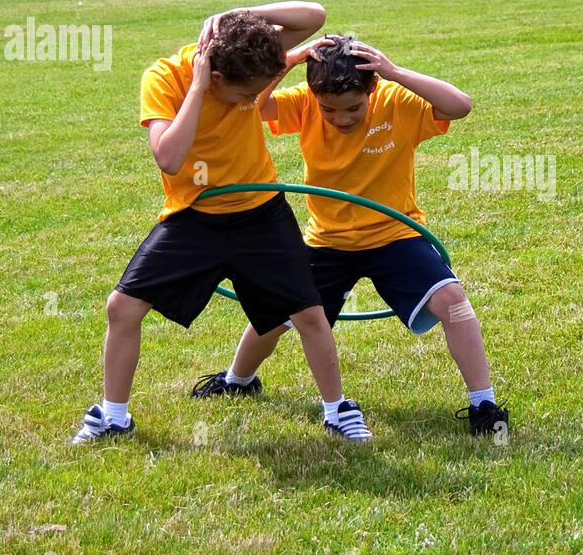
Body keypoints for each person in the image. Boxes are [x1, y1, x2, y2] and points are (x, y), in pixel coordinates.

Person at [72, 2, 376, 445]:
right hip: (195, 216)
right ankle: (112, 416)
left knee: (310, 314)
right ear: (216, 77)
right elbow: (170, 157)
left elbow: (315, 15)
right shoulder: (164, 78)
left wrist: (235, 14)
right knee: (122, 307)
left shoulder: (247, 59)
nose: (254, 101)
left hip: (261, 212)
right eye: (245, 95)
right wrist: (197, 88)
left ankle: (338, 410)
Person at [208, 34, 509, 439]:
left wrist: (394, 71)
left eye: (353, 107)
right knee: (275, 311)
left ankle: (484, 405)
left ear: (373, 88)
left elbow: (461, 105)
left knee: (453, 301)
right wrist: (290, 62)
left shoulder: (395, 101)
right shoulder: (305, 103)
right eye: (329, 109)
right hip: (327, 240)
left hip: (395, 233)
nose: (341, 117)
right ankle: (237, 380)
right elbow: (254, 106)